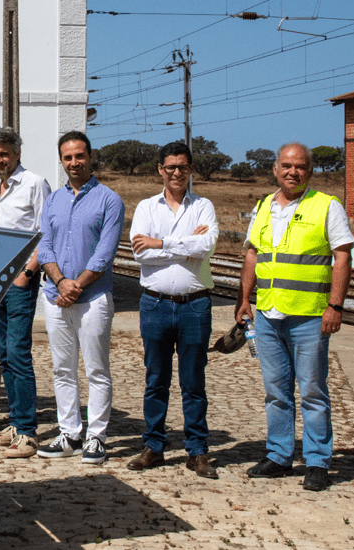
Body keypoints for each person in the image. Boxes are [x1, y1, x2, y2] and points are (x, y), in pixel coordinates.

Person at [238, 143, 354, 491]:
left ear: (310, 171)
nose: (293, 172)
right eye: (286, 166)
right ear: (275, 169)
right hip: (269, 316)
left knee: (313, 392)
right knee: (276, 392)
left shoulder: (327, 207)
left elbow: (343, 257)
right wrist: (245, 299)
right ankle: (279, 455)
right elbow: (253, 255)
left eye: (300, 166)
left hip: (309, 317)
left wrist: (335, 306)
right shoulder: (263, 207)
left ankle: (317, 461)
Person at [126, 142, 219, 479]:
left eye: (182, 166)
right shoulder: (147, 207)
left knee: (194, 381)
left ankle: (197, 451)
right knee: (156, 379)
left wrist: (161, 242)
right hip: (155, 304)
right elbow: (139, 253)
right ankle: (153, 446)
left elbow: (206, 245)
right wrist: (183, 244)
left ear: (190, 168)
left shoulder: (204, 206)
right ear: (160, 170)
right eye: (170, 167)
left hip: (195, 305)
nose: (176, 172)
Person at [36, 131, 124, 465]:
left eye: (79, 156)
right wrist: (60, 282)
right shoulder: (54, 200)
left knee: (97, 370)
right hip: (55, 296)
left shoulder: (109, 200)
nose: (74, 162)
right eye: (68, 157)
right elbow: (44, 245)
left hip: (93, 299)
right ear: (62, 160)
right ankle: (69, 433)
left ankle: (96, 438)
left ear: (90, 157)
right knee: (62, 369)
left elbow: (105, 253)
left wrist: (77, 286)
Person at [0, 129, 51, 459]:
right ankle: (14, 422)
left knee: (19, 353)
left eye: (4, 154)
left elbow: (44, 232)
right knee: (5, 354)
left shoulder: (35, 184)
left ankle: (27, 431)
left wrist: (28, 271)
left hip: (20, 281)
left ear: (17, 154)